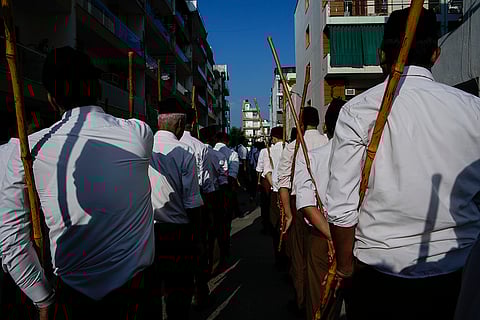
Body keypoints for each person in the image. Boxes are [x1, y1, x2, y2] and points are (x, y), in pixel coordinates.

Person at [326, 8, 480, 319]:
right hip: (460, 269)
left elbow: (341, 209)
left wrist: (344, 267)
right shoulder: (473, 109)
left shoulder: (359, 110)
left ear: (384, 53)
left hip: (380, 271)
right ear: (436, 54)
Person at [0, 46, 156, 320]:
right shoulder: (140, 133)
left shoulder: (28, 150)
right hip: (137, 293)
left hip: (74, 299)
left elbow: (11, 239)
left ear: (51, 98)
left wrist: (42, 298)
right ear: (97, 89)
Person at [148, 98, 204, 319]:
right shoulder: (184, 152)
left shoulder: (143, 148)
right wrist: (198, 238)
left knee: (152, 288)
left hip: (146, 231)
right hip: (177, 233)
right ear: (180, 125)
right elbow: (192, 201)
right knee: (179, 291)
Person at [295, 98, 346, 320]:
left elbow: (306, 204)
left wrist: (332, 236)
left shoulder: (310, 157)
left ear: (327, 126)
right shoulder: (368, 156)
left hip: (324, 236)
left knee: (321, 306)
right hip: (351, 239)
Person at [180, 108, 215, 308]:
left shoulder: (155, 145)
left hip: (166, 208)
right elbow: (206, 182)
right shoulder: (199, 146)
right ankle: (200, 290)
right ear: (193, 123)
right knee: (199, 247)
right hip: (196, 203)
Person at [199, 126, 229, 274]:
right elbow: (224, 178)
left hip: (197, 196)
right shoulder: (217, 155)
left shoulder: (193, 151)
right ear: (212, 139)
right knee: (214, 230)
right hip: (214, 195)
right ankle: (214, 260)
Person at [262, 126, 286, 266]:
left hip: (276, 192)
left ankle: (279, 257)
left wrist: (275, 187)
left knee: (277, 225)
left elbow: (267, 173)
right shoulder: (290, 148)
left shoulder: (268, 151)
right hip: (289, 192)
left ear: (274, 138)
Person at [214, 131, 239, 255]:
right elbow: (233, 175)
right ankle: (224, 245)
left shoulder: (209, 151)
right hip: (225, 189)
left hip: (211, 191)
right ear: (227, 141)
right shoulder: (232, 154)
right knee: (226, 220)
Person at [255, 141, 271, 234]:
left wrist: (258, 181)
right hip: (281, 180)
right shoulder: (286, 148)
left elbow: (259, 169)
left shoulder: (264, 151)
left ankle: (267, 226)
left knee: (265, 204)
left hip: (266, 181)